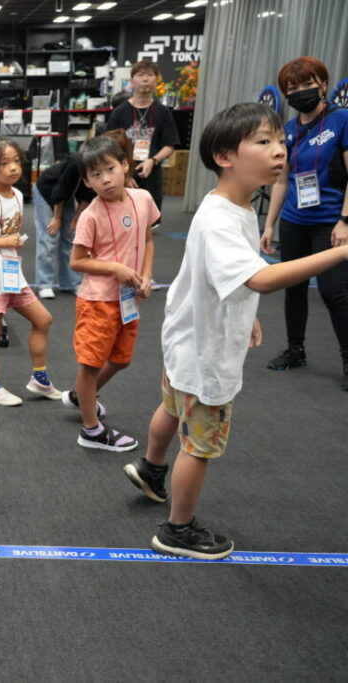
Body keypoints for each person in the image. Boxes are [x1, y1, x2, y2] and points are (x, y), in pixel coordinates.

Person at [124, 103, 348, 560]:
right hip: (206, 352)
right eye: (263, 142)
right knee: (200, 446)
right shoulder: (221, 219)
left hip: (187, 338)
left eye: (280, 141)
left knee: (172, 405)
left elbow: (231, 276)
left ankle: (151, 468)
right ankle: (177, 529)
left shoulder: (233, 205)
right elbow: (259, 278)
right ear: (225, 156)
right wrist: (340, 253)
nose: (279, 150)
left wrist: (248, 312)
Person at [260, 57, 348, 390]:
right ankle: (295, 349)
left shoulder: (342, 120)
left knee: (334, 291)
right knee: (293, 287)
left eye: (307, 84)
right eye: (292, 87)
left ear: (323, 84)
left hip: (331, 222)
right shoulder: (288, 129)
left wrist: (345, 220)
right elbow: (283, 180)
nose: (300, 91)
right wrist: (269, 225)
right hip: (294, 220)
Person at [65, 135, 158, 450]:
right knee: (90, 364)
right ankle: (91, 431)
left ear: (125, 165)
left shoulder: (142, 199)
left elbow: (148, 240)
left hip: (128, 299)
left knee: (121, 359)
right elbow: (77, 261)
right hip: (97, 301)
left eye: (110, 169)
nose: (105, 179)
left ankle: (82, 395)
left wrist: (146, 276)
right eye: (95, 174)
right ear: (86, 182)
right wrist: (115, 269)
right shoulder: (90, 216)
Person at [0, 136, 59, 406]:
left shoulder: (16, 194)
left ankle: (39, 379)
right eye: (4, 163)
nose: (13, 168)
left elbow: (6, 233)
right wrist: (4, 241)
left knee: (43, 320)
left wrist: (11, 242)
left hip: (11, 273)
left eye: (16, 161)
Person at [33, 129, 135, 300]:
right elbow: (59, 191)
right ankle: (44, 283)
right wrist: (57, 218)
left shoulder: (101, 174)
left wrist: (76, 219)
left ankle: (71, 283)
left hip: (68, 197)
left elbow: (87, 197)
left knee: (70, 237)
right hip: (47, 192)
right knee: (49, 238)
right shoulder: (77, 163)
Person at [105, 59, 179, 224]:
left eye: (150, 75)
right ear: (131, 82)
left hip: (152, 176)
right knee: (124, 223)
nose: (145, 79)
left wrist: (153, 160)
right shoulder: (119, 112)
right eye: (140, 75)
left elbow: (169, 145)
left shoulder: (163, 112)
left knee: (149, 225)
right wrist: (125, 175)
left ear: (156, 81)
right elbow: (109, 146)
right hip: (123, 176)